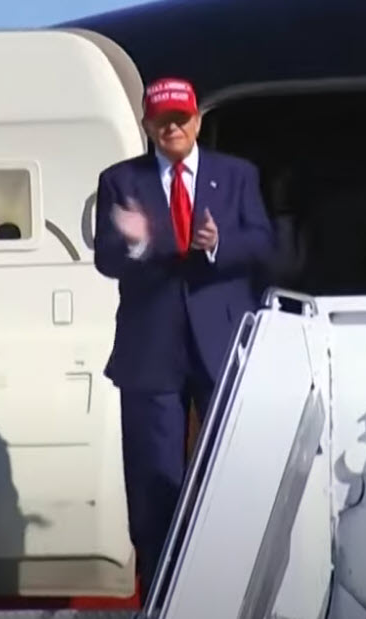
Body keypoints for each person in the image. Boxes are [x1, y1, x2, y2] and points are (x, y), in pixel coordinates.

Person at [92, 76, 274, 600]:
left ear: (196, 121)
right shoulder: (120, 180)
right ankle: (161, 592)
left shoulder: (236, 175)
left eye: (181, 119)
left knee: (232, 465)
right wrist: (139, 243)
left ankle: (232, 590)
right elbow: (107, 257)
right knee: (153, 477)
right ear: (147, 126)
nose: (172, 128)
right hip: (151, 347)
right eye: (162, 121)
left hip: (221, 341)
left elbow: (262, 243)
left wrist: (218, 245)